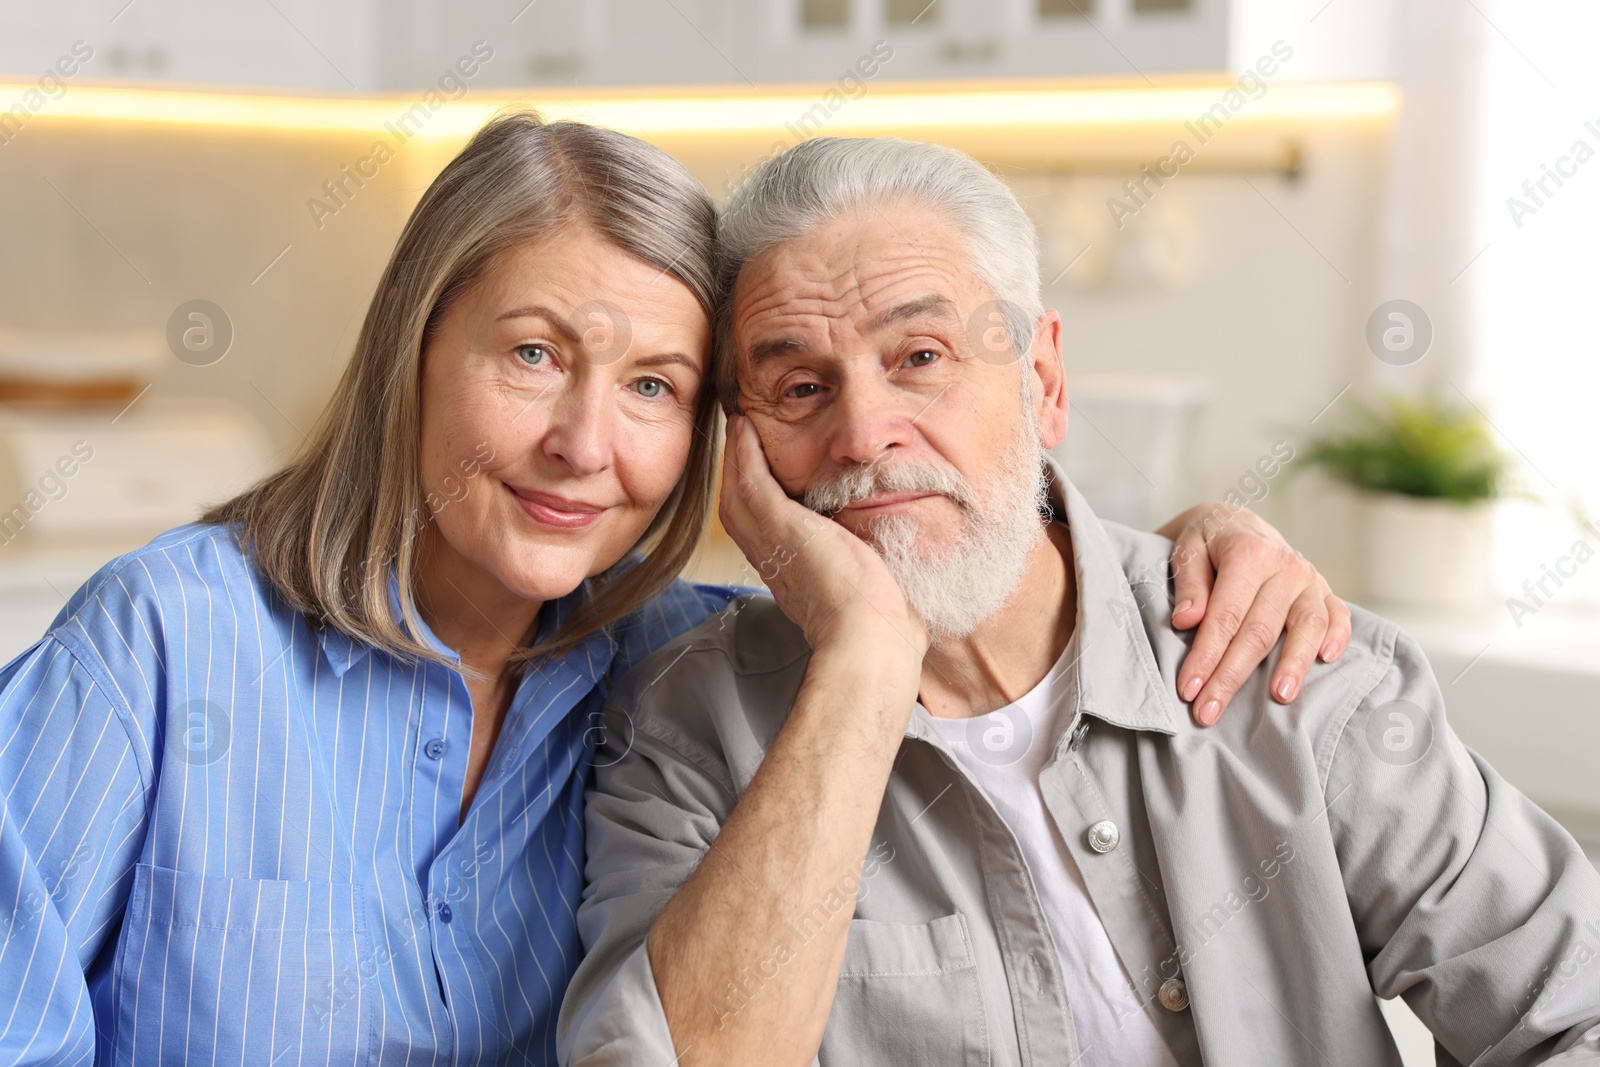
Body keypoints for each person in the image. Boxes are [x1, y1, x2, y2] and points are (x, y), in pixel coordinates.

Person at [0, 114, 1343, 1065]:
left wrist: (1190, 548)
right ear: (413, 350)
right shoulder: (162, 642)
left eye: (653, 386)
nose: (588, 445)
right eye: (533, 353)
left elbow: (987, 613)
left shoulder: (684, 681)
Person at [558, 135, 1600, 1067]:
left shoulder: (1286, 662)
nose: (864, 433)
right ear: (738, 449)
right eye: (798, 388)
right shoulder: (682, 735)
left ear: (1043, 379)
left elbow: (1572, 1013)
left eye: (919, 357)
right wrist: (867, 655)